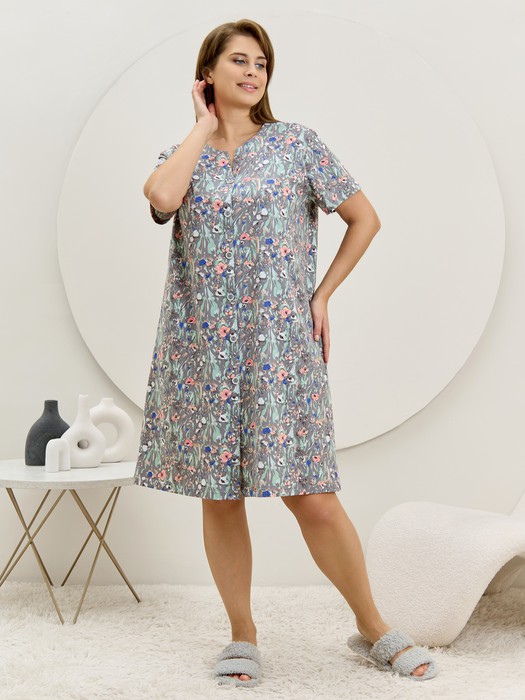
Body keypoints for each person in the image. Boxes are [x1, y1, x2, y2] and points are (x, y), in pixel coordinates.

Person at [134, 18, 438, 687]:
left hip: (280, 350)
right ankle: (242, 633)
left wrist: (321, 294)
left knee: (313, 495)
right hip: (202, 353)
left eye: (262, 63)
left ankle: (372, 626)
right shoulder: (183, 154)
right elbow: (161, 198)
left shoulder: (297, 144)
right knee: (221, 496)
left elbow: (365, 218)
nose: (253, 72)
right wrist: (201, 125)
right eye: (238, 61)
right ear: (208, 73)